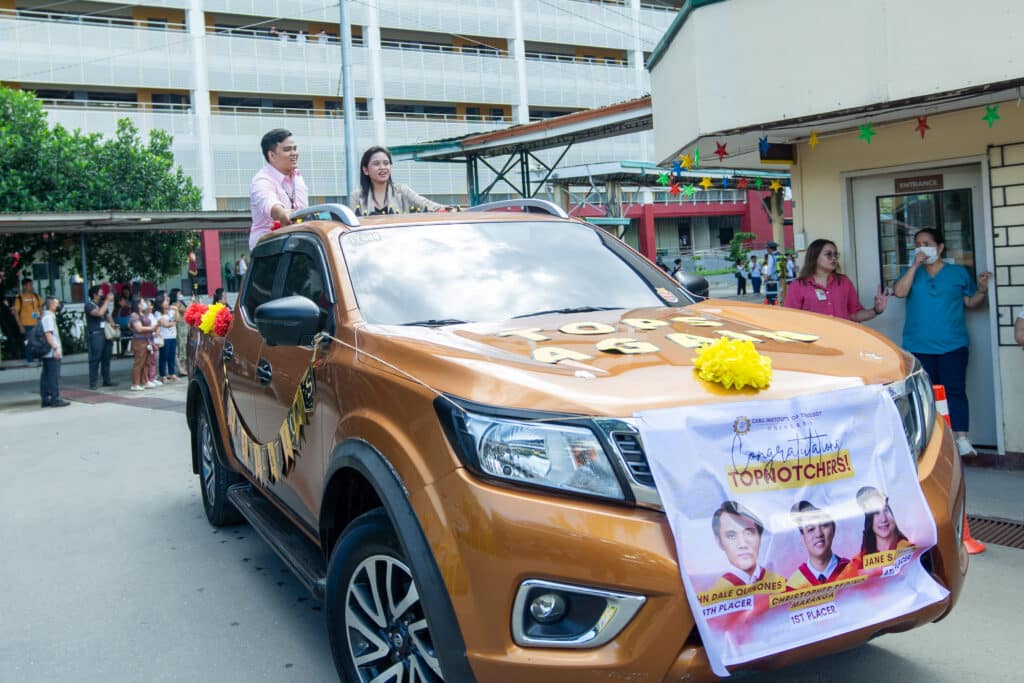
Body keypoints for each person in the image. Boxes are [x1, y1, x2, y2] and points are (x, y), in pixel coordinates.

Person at [893, 228, 992, 457]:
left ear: (940, 247)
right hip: (918, 345)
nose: (921, 248)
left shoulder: (957, 273)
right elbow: (899, 292)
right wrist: (915, 266)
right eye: (918, 244)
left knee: (954, 391)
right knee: (924, 394)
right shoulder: (911, 272)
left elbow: (970, 301)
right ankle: (931, 442)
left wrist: (982, 291)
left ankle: (961, 439)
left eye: (927, 243)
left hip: (953, 344)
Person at [784, 239, 888, 321]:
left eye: (835, 254)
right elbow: (791, 319)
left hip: (842, 342)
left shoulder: (844, 282)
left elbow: (854, 315)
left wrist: (876, 310)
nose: (834, 258)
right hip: (813, 344)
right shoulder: (797, 286)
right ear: (814, 257)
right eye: (828, 254)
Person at [249, 129, 308, 249]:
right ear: (272, 155)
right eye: (287, 150)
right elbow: (270, 203)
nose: (294, 153)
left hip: (296, 243)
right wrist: (282, 213)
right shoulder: (261, 180)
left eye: (295, 148)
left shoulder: (297, 176)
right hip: (269, 250)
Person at [707, 501, 785, 592]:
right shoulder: (715, 596)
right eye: (731, 536)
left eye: (749, 533)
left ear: (759, 537)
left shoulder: (783, 586)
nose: (743, 544)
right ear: (719, 542)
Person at [349, 146, 449, 216]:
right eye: (376, 164)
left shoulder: (403, 191)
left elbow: (430, 206)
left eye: (386, 163)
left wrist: (452, 210)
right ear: (366, 170)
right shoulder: (356, 196)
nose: (382, 167)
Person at [786, 501, 849, 590]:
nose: (819, 534)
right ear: (802, 537)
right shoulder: (794, 585)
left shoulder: (851, 569)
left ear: (833, 529)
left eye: (824, 525)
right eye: (811, 529)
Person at [85, 285, 118, 390]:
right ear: (94, 295)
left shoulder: (102, 304)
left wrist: (113, 324)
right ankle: (93, 382)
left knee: (106, 358)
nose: (103, 294)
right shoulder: (89, 305)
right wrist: (108, 301)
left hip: (105, 334)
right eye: (100, 292)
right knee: (95, 359)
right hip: (96, 334)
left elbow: (108, 316)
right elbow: (99, 313)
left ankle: (106, 380)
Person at [39, 295, 69, 408]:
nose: (59, 305)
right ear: (51, 305)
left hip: (48, 352)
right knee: (53, 376)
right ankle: (54, 398)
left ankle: (46, 398)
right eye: (57, 304)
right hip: (51, 352)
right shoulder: (48, 317)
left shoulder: (47, 316)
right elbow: (48, 334)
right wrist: (56, 349)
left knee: (46, 376)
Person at [128, 298, 158, 391]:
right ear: (138, 305)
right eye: (142, 302)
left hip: (147, 340)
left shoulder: (142, 314)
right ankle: (135, 383)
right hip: (139, 341)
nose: (144, 303)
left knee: (147, 362)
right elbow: (139, 328)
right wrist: (152, 328)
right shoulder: (134, 315)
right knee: (139, 362)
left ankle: (144, 381)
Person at [14, 278, 43, 365]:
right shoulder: (19, 298)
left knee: (39, 342)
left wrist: (40, 318)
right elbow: (16, 313)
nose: (32, 287)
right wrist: (20, 326)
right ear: (24, 286)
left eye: (31, 285)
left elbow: (40, 308)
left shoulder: (36, 297)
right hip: (26, 324)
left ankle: (40, 359)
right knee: (28, 342)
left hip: (37, 323)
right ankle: (30, 360)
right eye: (30, 285)